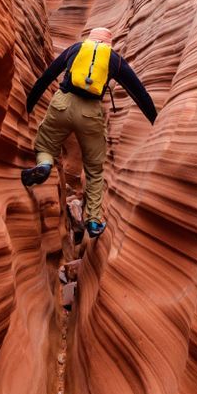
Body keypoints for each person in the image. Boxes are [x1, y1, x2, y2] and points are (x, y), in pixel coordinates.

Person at [22, 26, 156, 237]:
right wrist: (154, 120)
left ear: (90, 39)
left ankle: (45, 164)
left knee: (46, 143)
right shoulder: (114, 59)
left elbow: (48, 76)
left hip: (62, 104)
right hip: (90, 114)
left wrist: (29, 104)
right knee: (94, 170)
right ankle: (93, 222)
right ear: (108, 44)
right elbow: (138, 92)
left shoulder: (75, 49)